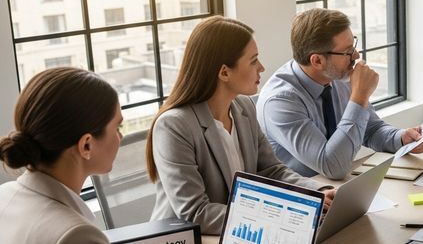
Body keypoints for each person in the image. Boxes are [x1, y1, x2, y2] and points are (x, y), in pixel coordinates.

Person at [146, 16, 334, 234]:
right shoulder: (174, 126)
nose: (261, 68)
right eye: (253, 61)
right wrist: (282, 216)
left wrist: (317, 192)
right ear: (224, 72)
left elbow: (271, 170)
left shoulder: (244, 107)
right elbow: (196, 213)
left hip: (240, 233)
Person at [256, 8, 423, 180]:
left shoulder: (337, 75)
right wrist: (359, 96)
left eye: (353, 46)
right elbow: (332, 167)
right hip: (302, 191)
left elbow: (371, 129)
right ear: (317, 61)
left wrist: (400, 138)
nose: (356, 55)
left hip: (336, 186)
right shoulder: (280, 102)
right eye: (347, 52)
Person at [0, 67, 123, 243]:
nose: (121, 137)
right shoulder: (77, 235)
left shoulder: (3, 194)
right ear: (86, 145)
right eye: (117, 128)